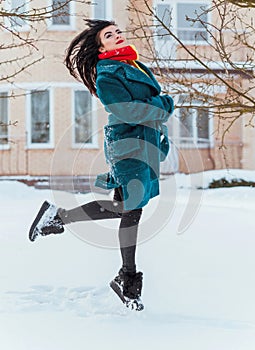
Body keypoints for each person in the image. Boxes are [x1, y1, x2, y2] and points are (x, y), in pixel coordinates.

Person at [28, 19, 174, 311]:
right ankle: (127, 279)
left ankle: (58, 217)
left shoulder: (134, 64)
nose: (118, 36)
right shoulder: (107, 75)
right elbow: (128, 111)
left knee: (125, 207)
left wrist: (159, 105)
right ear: (100, 45)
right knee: (131, 210)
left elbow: (148, 103)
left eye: (118, 31)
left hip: (144, 143)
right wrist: (163, 104)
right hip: (128, 146)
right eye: (110, 35)